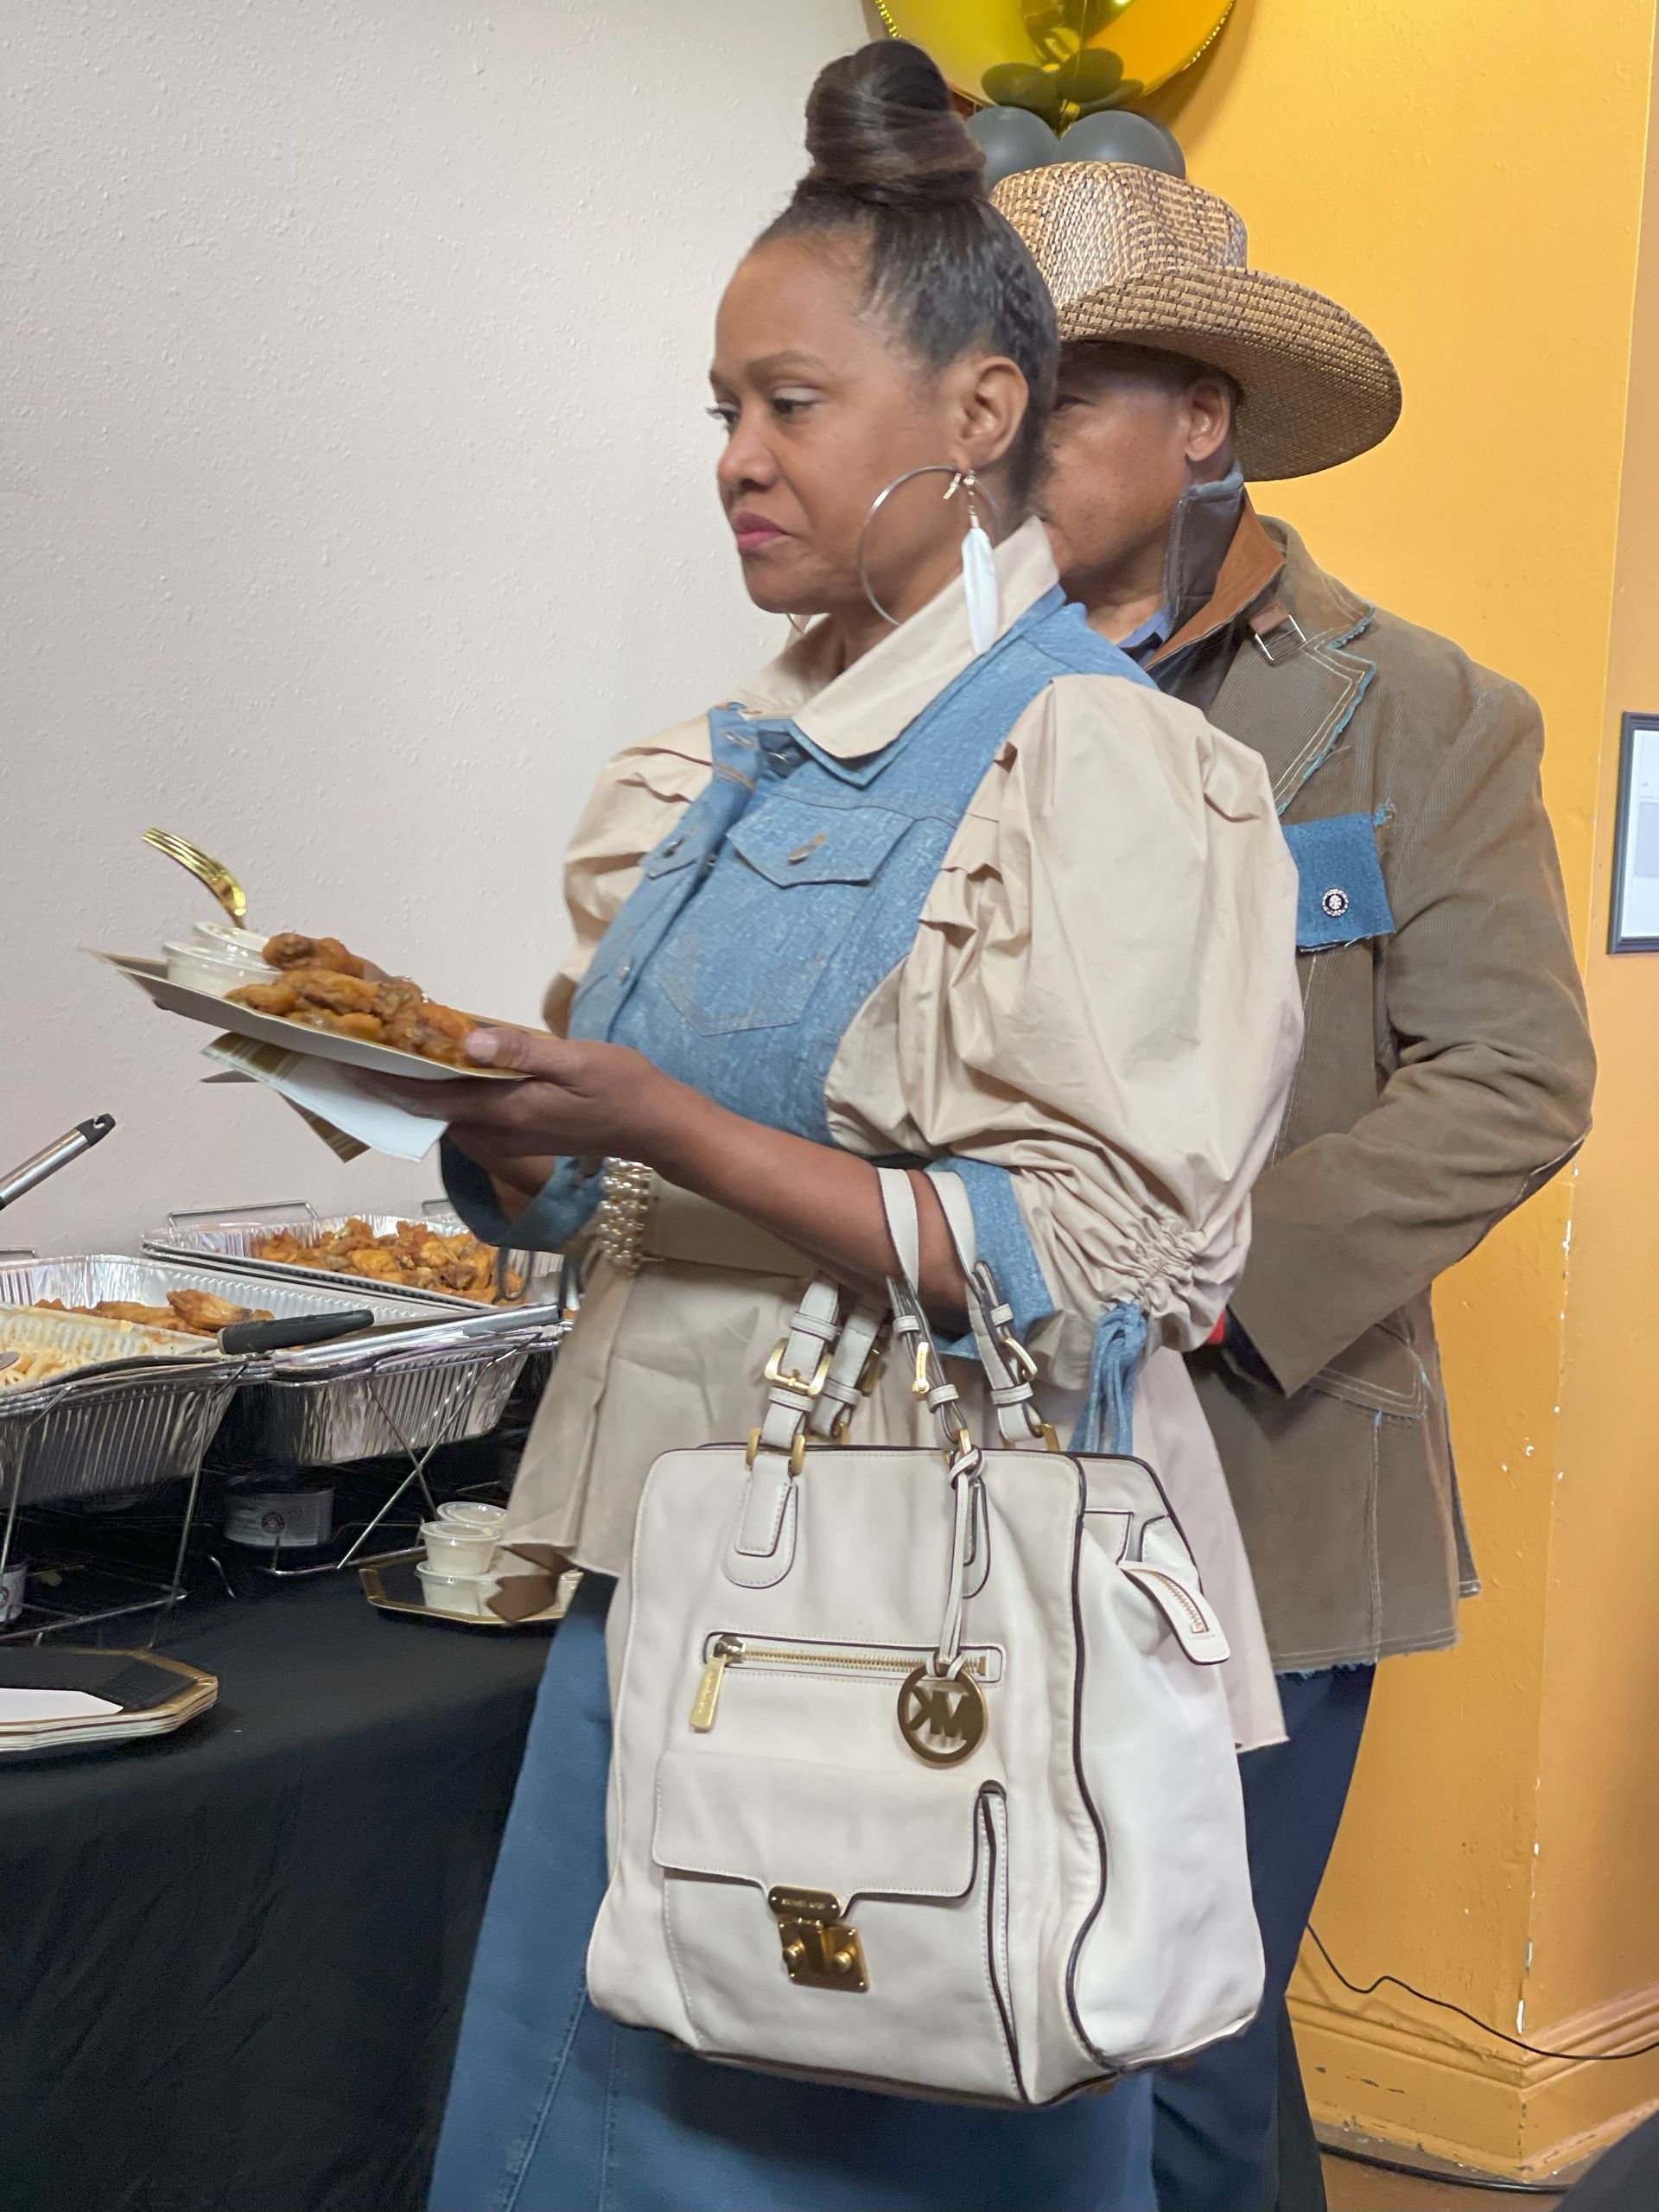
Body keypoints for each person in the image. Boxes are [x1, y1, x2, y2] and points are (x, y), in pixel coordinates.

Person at [378, 43, 1305, 2212]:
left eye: (789, 404)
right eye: (723, 407)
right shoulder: (713, 767)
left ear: (977, 415)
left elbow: (1095, 1268)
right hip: (655, 1581)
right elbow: (612, 1189)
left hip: (909, 1634)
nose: (736, 457)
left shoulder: (1099, 766)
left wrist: (666, 1123)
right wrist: (517, 1142)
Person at [993, 159, 1597, 2212]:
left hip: (1262, 1472)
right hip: (967, 1463)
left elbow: (1515, 1077)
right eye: (984, 392)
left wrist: (1205, 1276)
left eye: (1059, 394)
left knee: (1188, 2053)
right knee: (991, 2023)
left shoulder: (1419, 713)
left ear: (1204, 417)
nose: (1002, 443)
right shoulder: (939, 701)